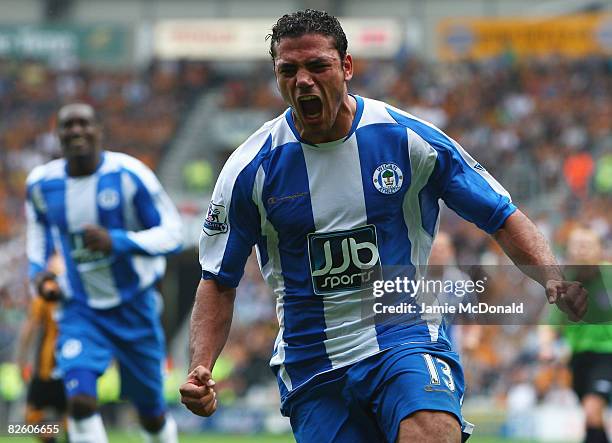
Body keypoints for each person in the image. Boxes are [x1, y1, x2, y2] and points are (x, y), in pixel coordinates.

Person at [179, 10, 587, 443]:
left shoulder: (406, 139)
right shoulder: (250, 168)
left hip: (403, 332)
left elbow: (501, 215)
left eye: (318, 66)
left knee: (431, 431)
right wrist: (200, 365)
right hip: (313, 362)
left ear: (347, 67)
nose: (303, 80)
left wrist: (551, 276)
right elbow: (217, 281)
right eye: (289, 70)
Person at [25, 103, 183, 443]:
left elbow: (173, 232)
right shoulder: (41, 184)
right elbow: (38, 233)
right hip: (80, 309)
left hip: (135, 308)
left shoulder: (129, 175)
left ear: (100, 131)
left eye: (84, 123)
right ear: (59, 134)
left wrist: (118, 241)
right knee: (80, 401)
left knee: (151, 414)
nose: (76, 131)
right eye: (68, 125)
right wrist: (40, 273)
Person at [540, 226, 611, 443]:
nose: (582, 251)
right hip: (578, 359)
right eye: (577, 246)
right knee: (592, 417)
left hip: (607, 355)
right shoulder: (563, 283)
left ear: (599, 250)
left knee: (592, 409)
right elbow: (549, 323)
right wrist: (546, 347)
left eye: (587, 245)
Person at [15, 254, 67, 443]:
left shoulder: (47, 299)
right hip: (55, 364)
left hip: (55, 365)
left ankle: (57, 436)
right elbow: (30, 328)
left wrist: (21, 360)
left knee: (34, 416)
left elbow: (28, 330)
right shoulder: (44, 300)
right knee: (38, 416)